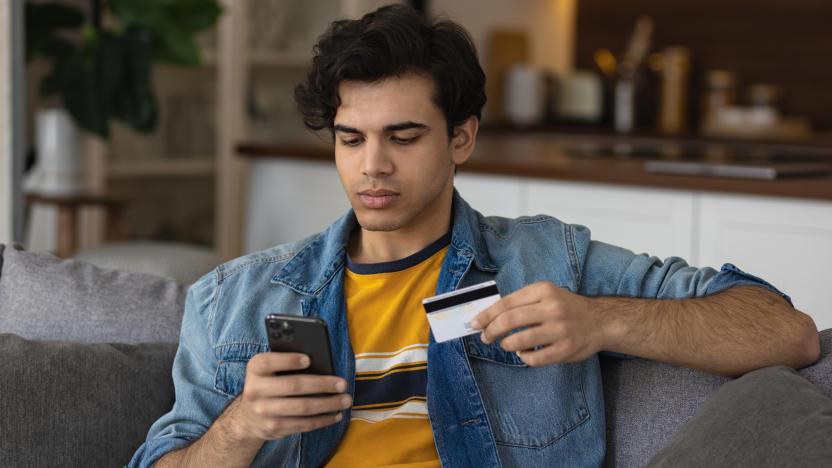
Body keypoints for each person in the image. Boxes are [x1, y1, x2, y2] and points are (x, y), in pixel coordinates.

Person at [129, 5, 819, 467]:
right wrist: (241, 427)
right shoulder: (233, 297)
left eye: (403, 137)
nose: (372, 165)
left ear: (462, 137)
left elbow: (787, 334)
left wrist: (601, 320)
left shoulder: (551, 260)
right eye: (350, 139)